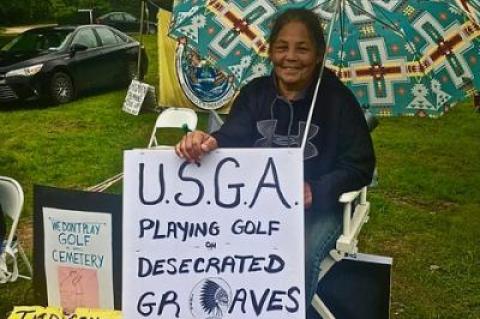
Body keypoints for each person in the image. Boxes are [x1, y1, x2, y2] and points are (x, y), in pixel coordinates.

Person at [175, 8, 375, 317]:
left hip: (318, 210)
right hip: (256, 207)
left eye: (303, 48)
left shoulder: (339, 100)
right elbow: (231, 137)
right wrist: (208, 141)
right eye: (282, 47)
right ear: (270, 51)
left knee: (299, 255)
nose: (290, 57)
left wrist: (315, 190)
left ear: (320, 54)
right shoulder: (255, 94)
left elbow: (360, 165)